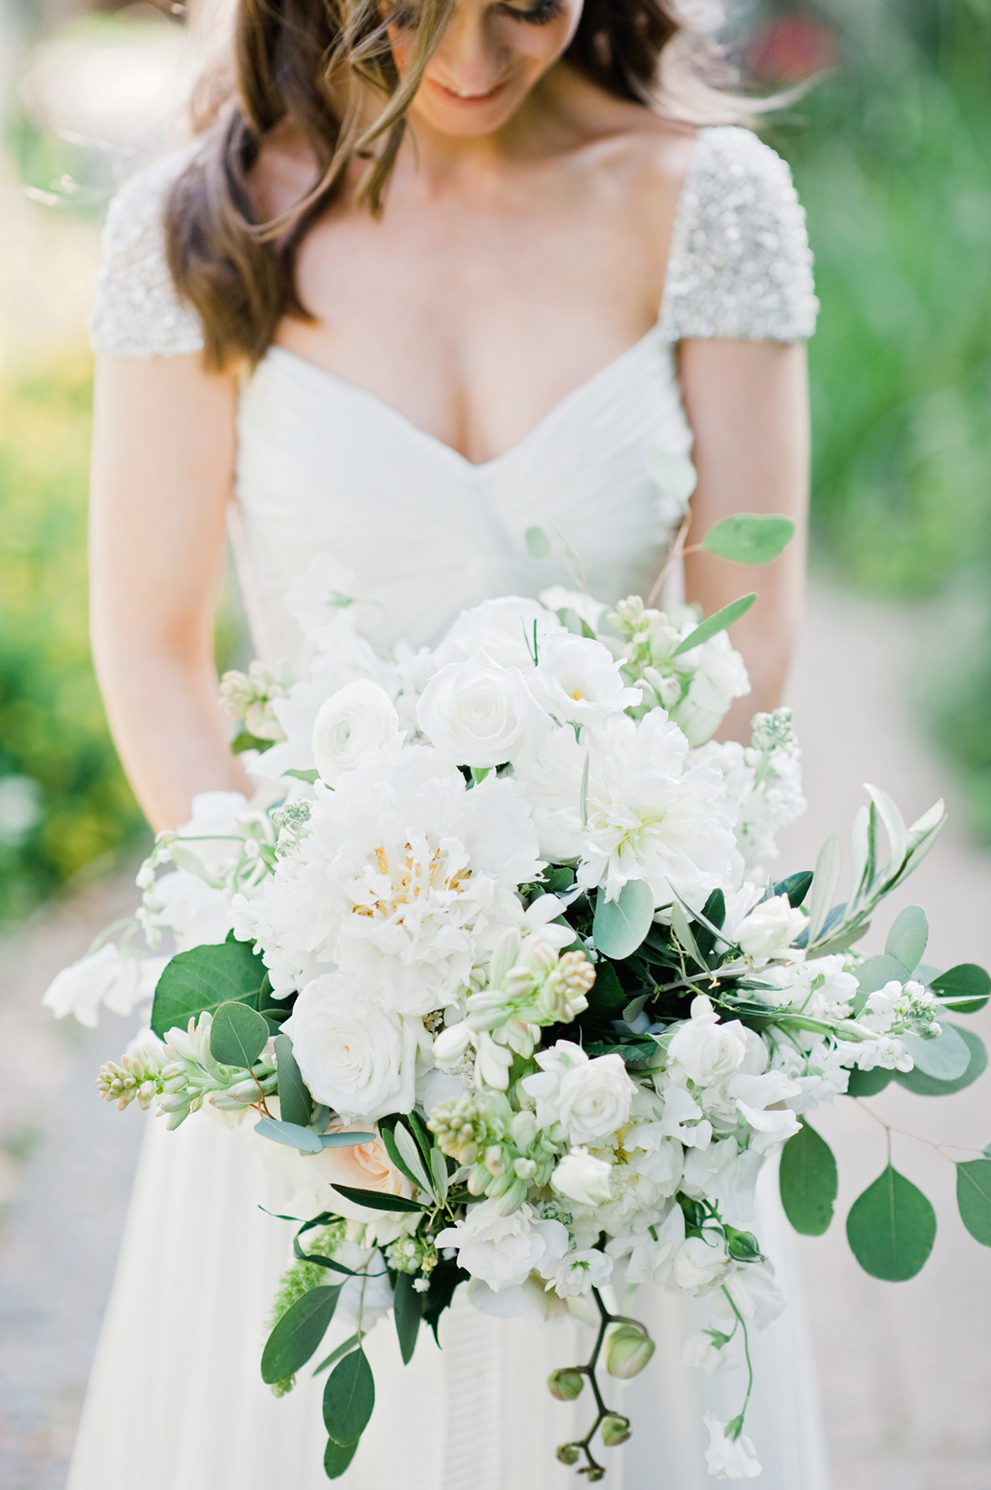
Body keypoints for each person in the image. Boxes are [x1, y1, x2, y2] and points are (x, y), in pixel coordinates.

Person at [71, 0, 828, 1484]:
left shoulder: (711, 204)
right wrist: (292, 1010)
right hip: (317, 1021)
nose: (475, 61)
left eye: (529, 5)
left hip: (620, 1046)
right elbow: (152, 651)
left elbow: (751, 635)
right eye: (411, 14)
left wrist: (628, 986)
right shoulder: (204, 225)